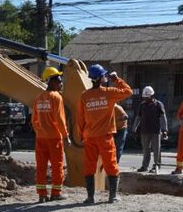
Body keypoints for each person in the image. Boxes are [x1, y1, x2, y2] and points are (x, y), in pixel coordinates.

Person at [77, 64, 133, 204]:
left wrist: (81, 136)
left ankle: (90, 197)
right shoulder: (108, 93)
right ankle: (112, 196)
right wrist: (117, 79)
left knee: (89, 166)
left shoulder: (84, 96)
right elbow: (128, 91)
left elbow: (80, 118)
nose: (106, 78)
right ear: (100, 78)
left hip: (89, 136)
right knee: (111, 165)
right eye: (104, 76)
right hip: (105, 136)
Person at [32, 67, 70, 203]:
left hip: (41, 138)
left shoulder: (39, 98)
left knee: (41, 167)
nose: (61, 83)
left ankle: (42, 195)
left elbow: (34, 120)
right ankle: (56, 193)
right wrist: (66, 136)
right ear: (51, 81)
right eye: (59, 81)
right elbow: (60, 119)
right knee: (57, 165)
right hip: (54, 138)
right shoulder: (56, 97)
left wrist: (40, 131)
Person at [132, 86, 167, 174]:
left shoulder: (158, 105)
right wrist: (134, 128)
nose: (146, 99)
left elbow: (163, 117)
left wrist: (164, 130)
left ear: (152, 96)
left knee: (156, 149)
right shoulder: (142, 105)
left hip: (155, 131)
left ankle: (156, 166)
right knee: (145, 149)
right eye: (145, 97)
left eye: (147, 97)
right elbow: (138, 117)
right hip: (144, 131)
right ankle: (145, 166)